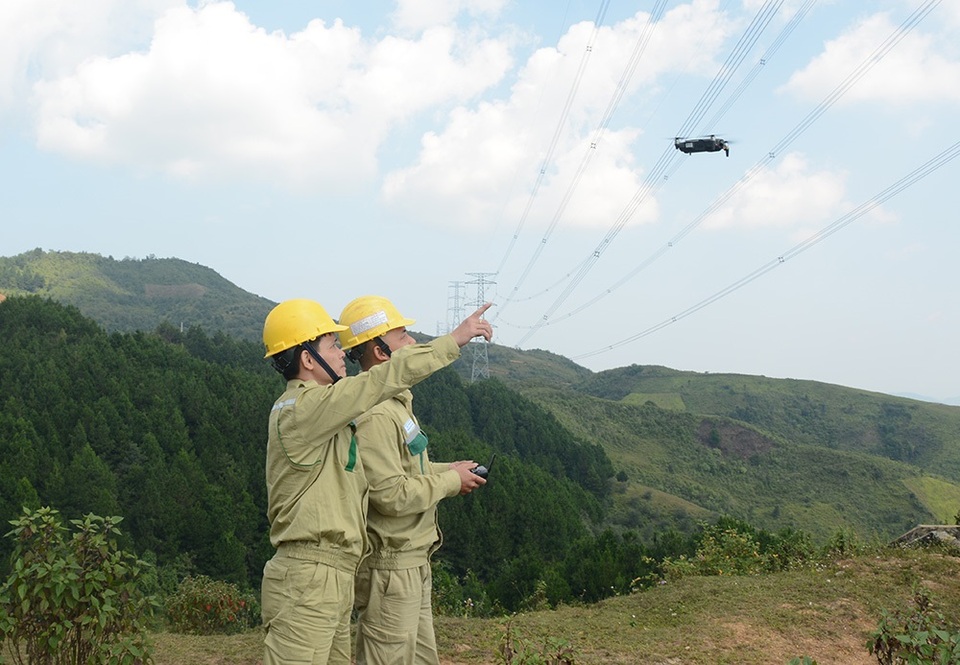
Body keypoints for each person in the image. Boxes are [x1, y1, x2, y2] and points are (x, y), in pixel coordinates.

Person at [259, 297, 492, 665]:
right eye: (333, 345)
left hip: (332, 572)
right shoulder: (305, 410)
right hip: (308, 577)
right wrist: (454, 340)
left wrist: (445, 470)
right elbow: (382, 382)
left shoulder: (325, 413)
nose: (342, 352)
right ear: (307, 360)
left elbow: (380, 473)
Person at [337, 296, 486, 665]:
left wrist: (450, 468)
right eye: (402, 334)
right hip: (391, 566)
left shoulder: (395, 403)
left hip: (413, 559)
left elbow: (407, 469)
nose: (412, 341)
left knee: (420, 657)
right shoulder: (374, 415)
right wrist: (452, 482)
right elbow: (390, 494)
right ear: (379, 350)